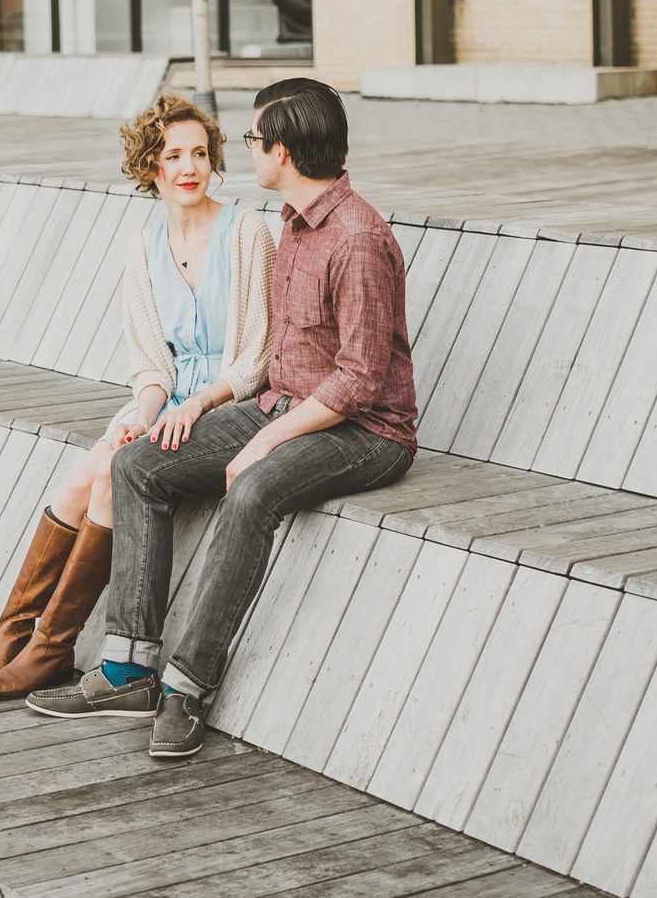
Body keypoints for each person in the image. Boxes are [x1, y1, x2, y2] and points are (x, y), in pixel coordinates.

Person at [27, 77, 418, 761]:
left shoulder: (356, 238)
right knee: (137, 463)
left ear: (286, 152)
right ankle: (127, 670)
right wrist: (213, 410)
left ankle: (186, 686)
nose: (250, 151)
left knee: (252, 491)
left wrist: (263, 439)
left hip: (367, 433)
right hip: (286, 409)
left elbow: (360, 383)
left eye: (255, 139)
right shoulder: (294, 224)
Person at [0, 93, 275, 698]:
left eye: (199, 153)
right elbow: (150, 363)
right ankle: (18, 632)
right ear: (150, 167)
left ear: (214, 160)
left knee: (113, 477)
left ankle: (54, 646)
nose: (189, 167)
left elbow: (257, 358)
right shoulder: (142, 246)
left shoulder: (247, 232)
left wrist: (197, 405)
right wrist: (144, 418)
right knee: (84, 474)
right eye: (172, 155)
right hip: (166, 402)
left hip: (228, 403)